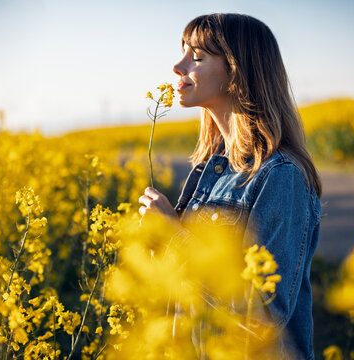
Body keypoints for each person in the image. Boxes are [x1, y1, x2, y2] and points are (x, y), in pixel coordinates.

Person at [138, 13, 322, 360]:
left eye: (197, 56)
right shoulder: (210, 170)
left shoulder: (280, 175)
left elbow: (261, 313)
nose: (178, 67)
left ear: (236, 71)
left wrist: (177, 237)